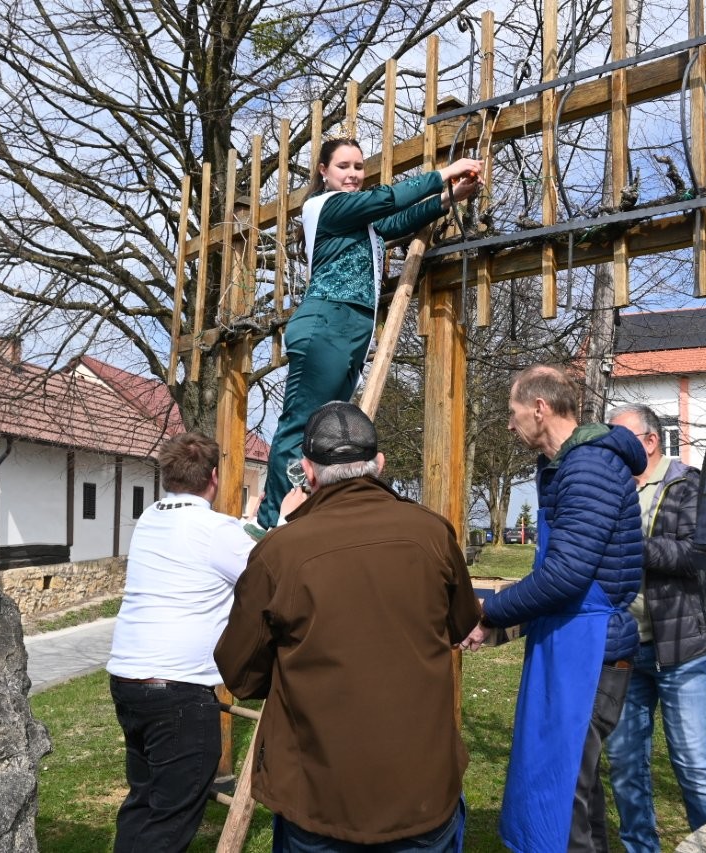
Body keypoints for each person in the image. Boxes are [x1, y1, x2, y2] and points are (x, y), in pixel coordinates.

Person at [216, 401, 482, 852]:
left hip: (320, 795)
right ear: (378, 463)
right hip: (420, 790)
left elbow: (240, 672)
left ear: (308, 471)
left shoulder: (279, 552)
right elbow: (461, 624)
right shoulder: (433, 533)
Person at [251, 139, 482, 535]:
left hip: (349, 329)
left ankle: (307, 512)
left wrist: (449, 197)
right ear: (323, 171)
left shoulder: (358, 223)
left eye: (359, 167)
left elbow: (395, 222)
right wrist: (444, 173)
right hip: (326, 322)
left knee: (324, 428)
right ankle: (271, 521)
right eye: (343, 166)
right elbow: (386, 200)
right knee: (302, 423)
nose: (353, 174)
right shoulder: (325, 206)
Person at [462, 365, 646, 853]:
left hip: (590, 652)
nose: (509, 424)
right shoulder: (567, 466)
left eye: (513, 412)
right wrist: (497, 625)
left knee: (564, 799)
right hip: (567, 643)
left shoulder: (588, 468)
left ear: (540, 408)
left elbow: (566, 576)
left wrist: (491, 612)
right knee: (575, 791)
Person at [106, 432, 264, 853]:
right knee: (170, 819)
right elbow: (269, 573)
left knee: (143, 802)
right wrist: (282, 522)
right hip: (178, 692)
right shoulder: (217, 531)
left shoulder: (149, 519)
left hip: (128, 682)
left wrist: (246, 526)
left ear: (166, 477)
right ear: (213, 477)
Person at [602, 404, 706, 852]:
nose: (611, 450)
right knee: (625, 764)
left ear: (650, 441)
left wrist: (634, 547)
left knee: (695, 765)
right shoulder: (612, 487)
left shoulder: (687, 485)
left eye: (619, 440)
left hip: (681, 648)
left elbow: (699, 555)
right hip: (624, 648)